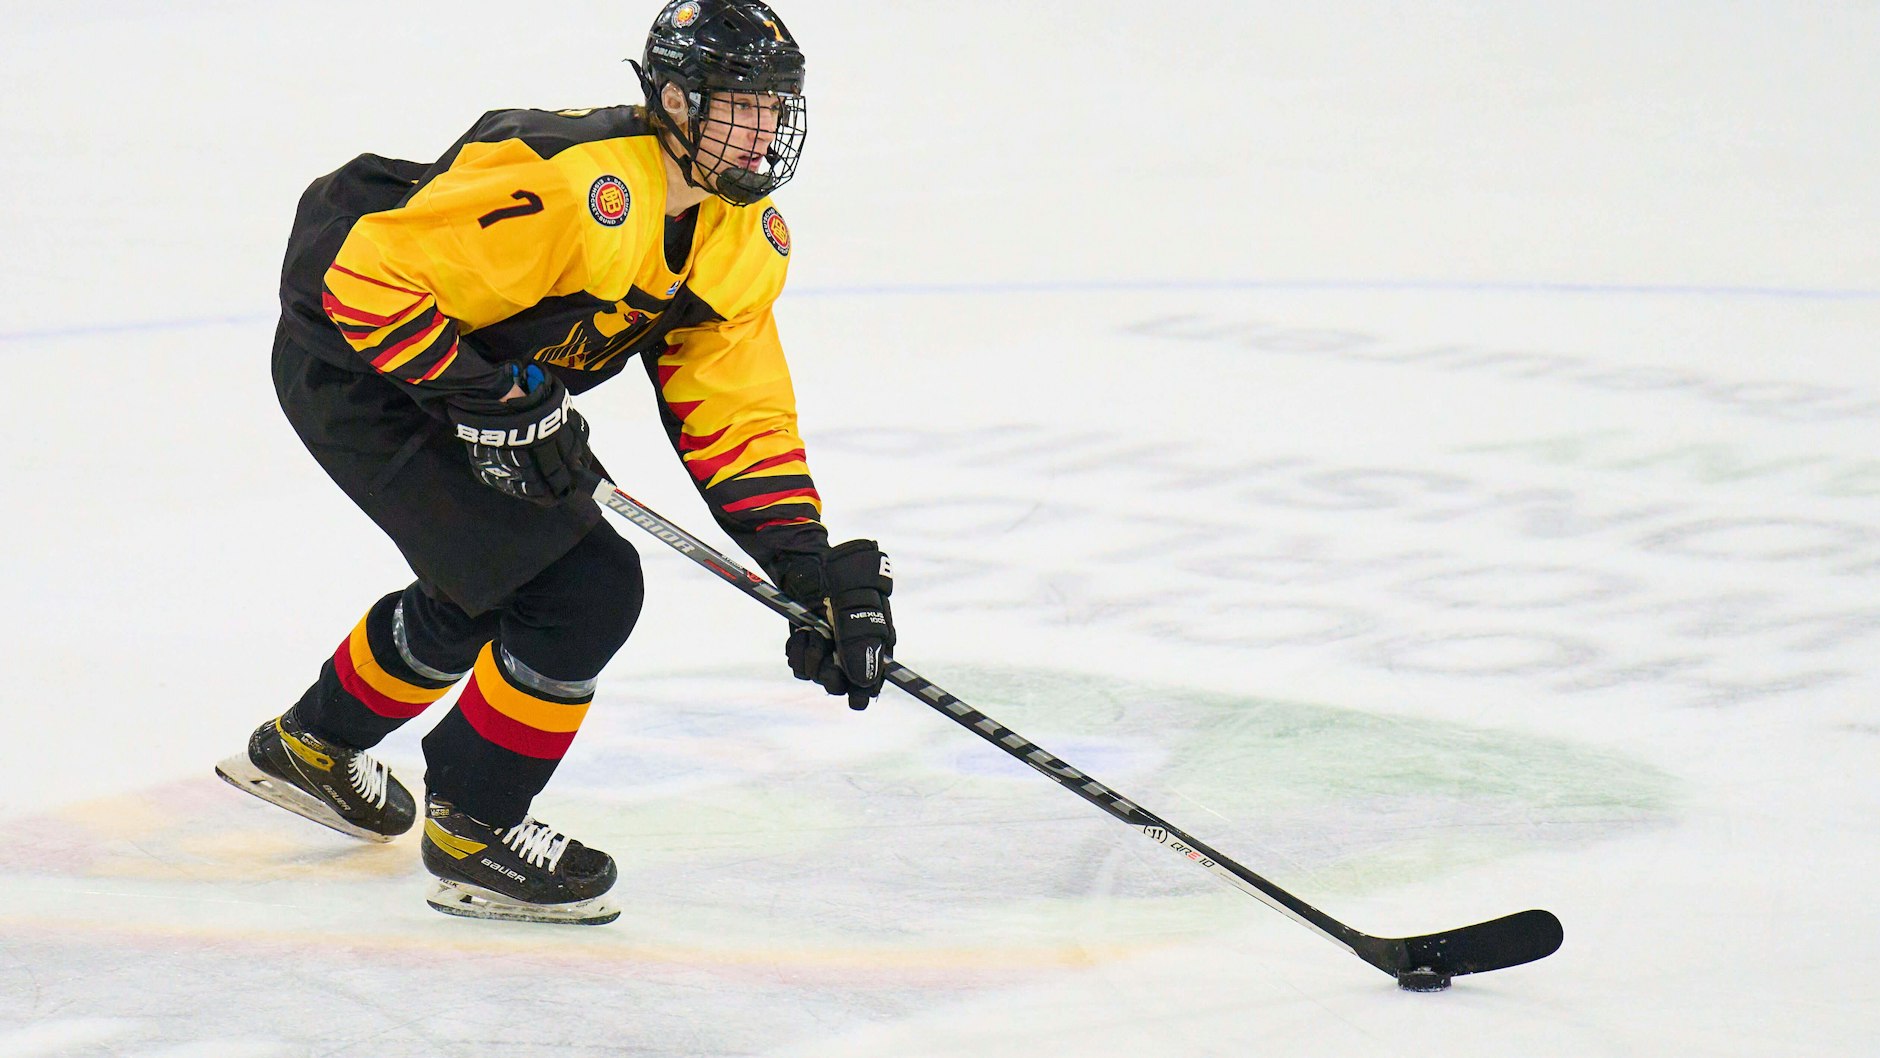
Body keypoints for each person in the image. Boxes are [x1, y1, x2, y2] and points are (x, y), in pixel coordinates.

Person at [215, 0, 897, 926]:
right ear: (674, 101)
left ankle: (310, 747)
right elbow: (352, 275)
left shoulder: (740, 236)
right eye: (740, 105)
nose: (764, 132)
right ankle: (476, 826)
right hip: (360, 372)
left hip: (474, 387)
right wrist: (490, 400)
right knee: (583, 589)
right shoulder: (573, 186)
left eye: (777, 109)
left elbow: (737, 413)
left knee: (492, 577)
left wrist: (807, 568)